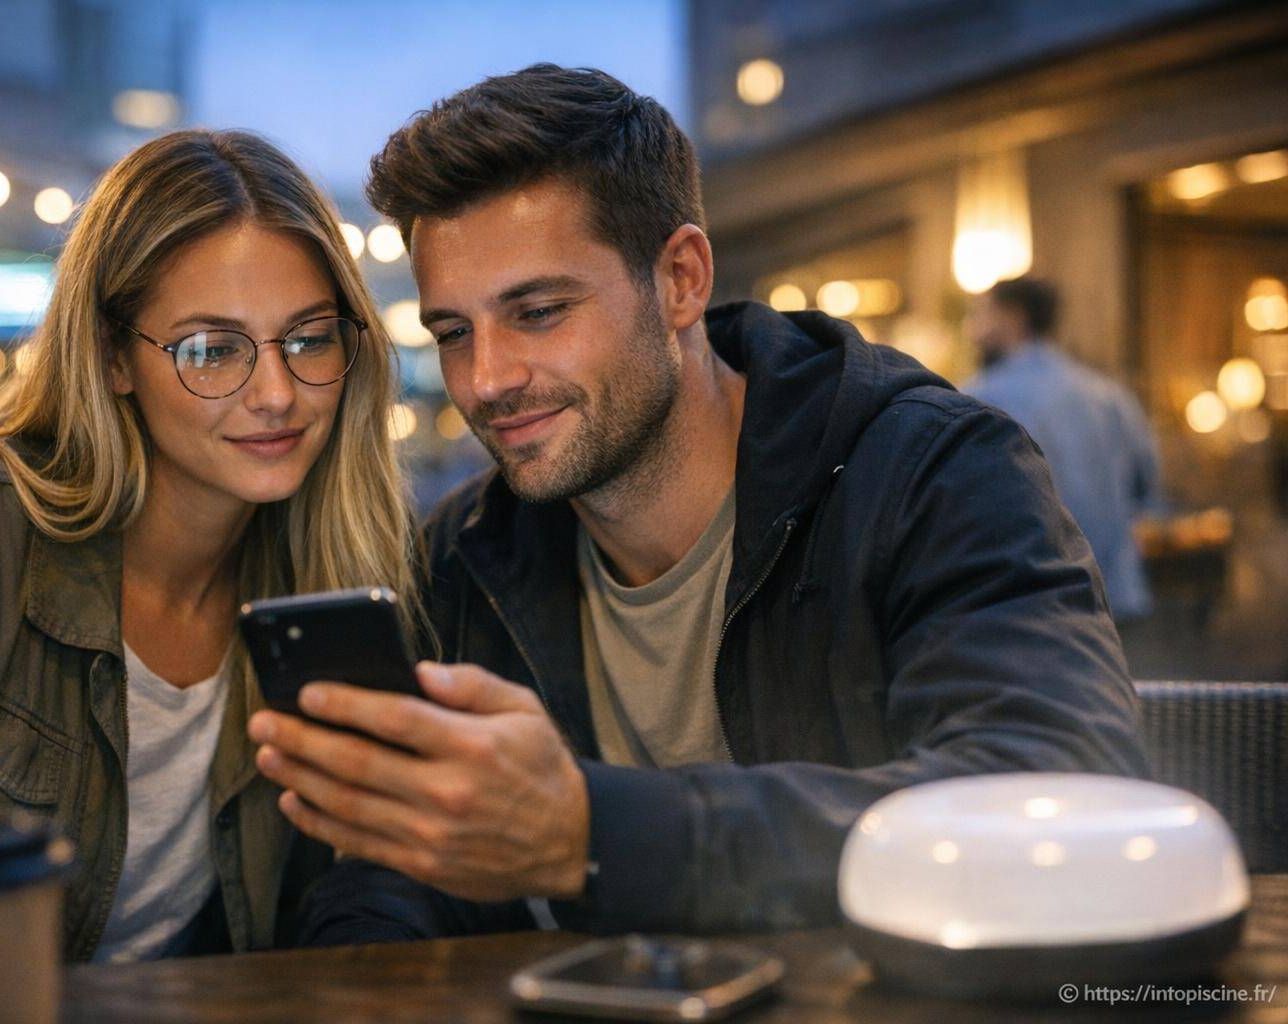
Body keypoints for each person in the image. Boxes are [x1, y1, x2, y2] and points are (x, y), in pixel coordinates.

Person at [246, 65, 1151, 941]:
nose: (485, 381)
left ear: (681, 279)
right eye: (453, 332)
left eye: (540, 311)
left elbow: (1060, 798)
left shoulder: (930, 472)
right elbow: (396, 874)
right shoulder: (468, 551)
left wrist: (591, 835)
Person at [0, 129, 419, 977]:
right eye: (211, 350)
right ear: (111, 358)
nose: (277, 393)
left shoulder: (344, 578)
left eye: (309, 338)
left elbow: (358, 896)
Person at [964, 278, 1161, 621]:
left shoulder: (979, 399)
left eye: (982, 313)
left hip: (1028, 601)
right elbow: (1147, 486)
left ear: (1012, 317)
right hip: (1112, 595)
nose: (972, 328)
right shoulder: (1109, 395)